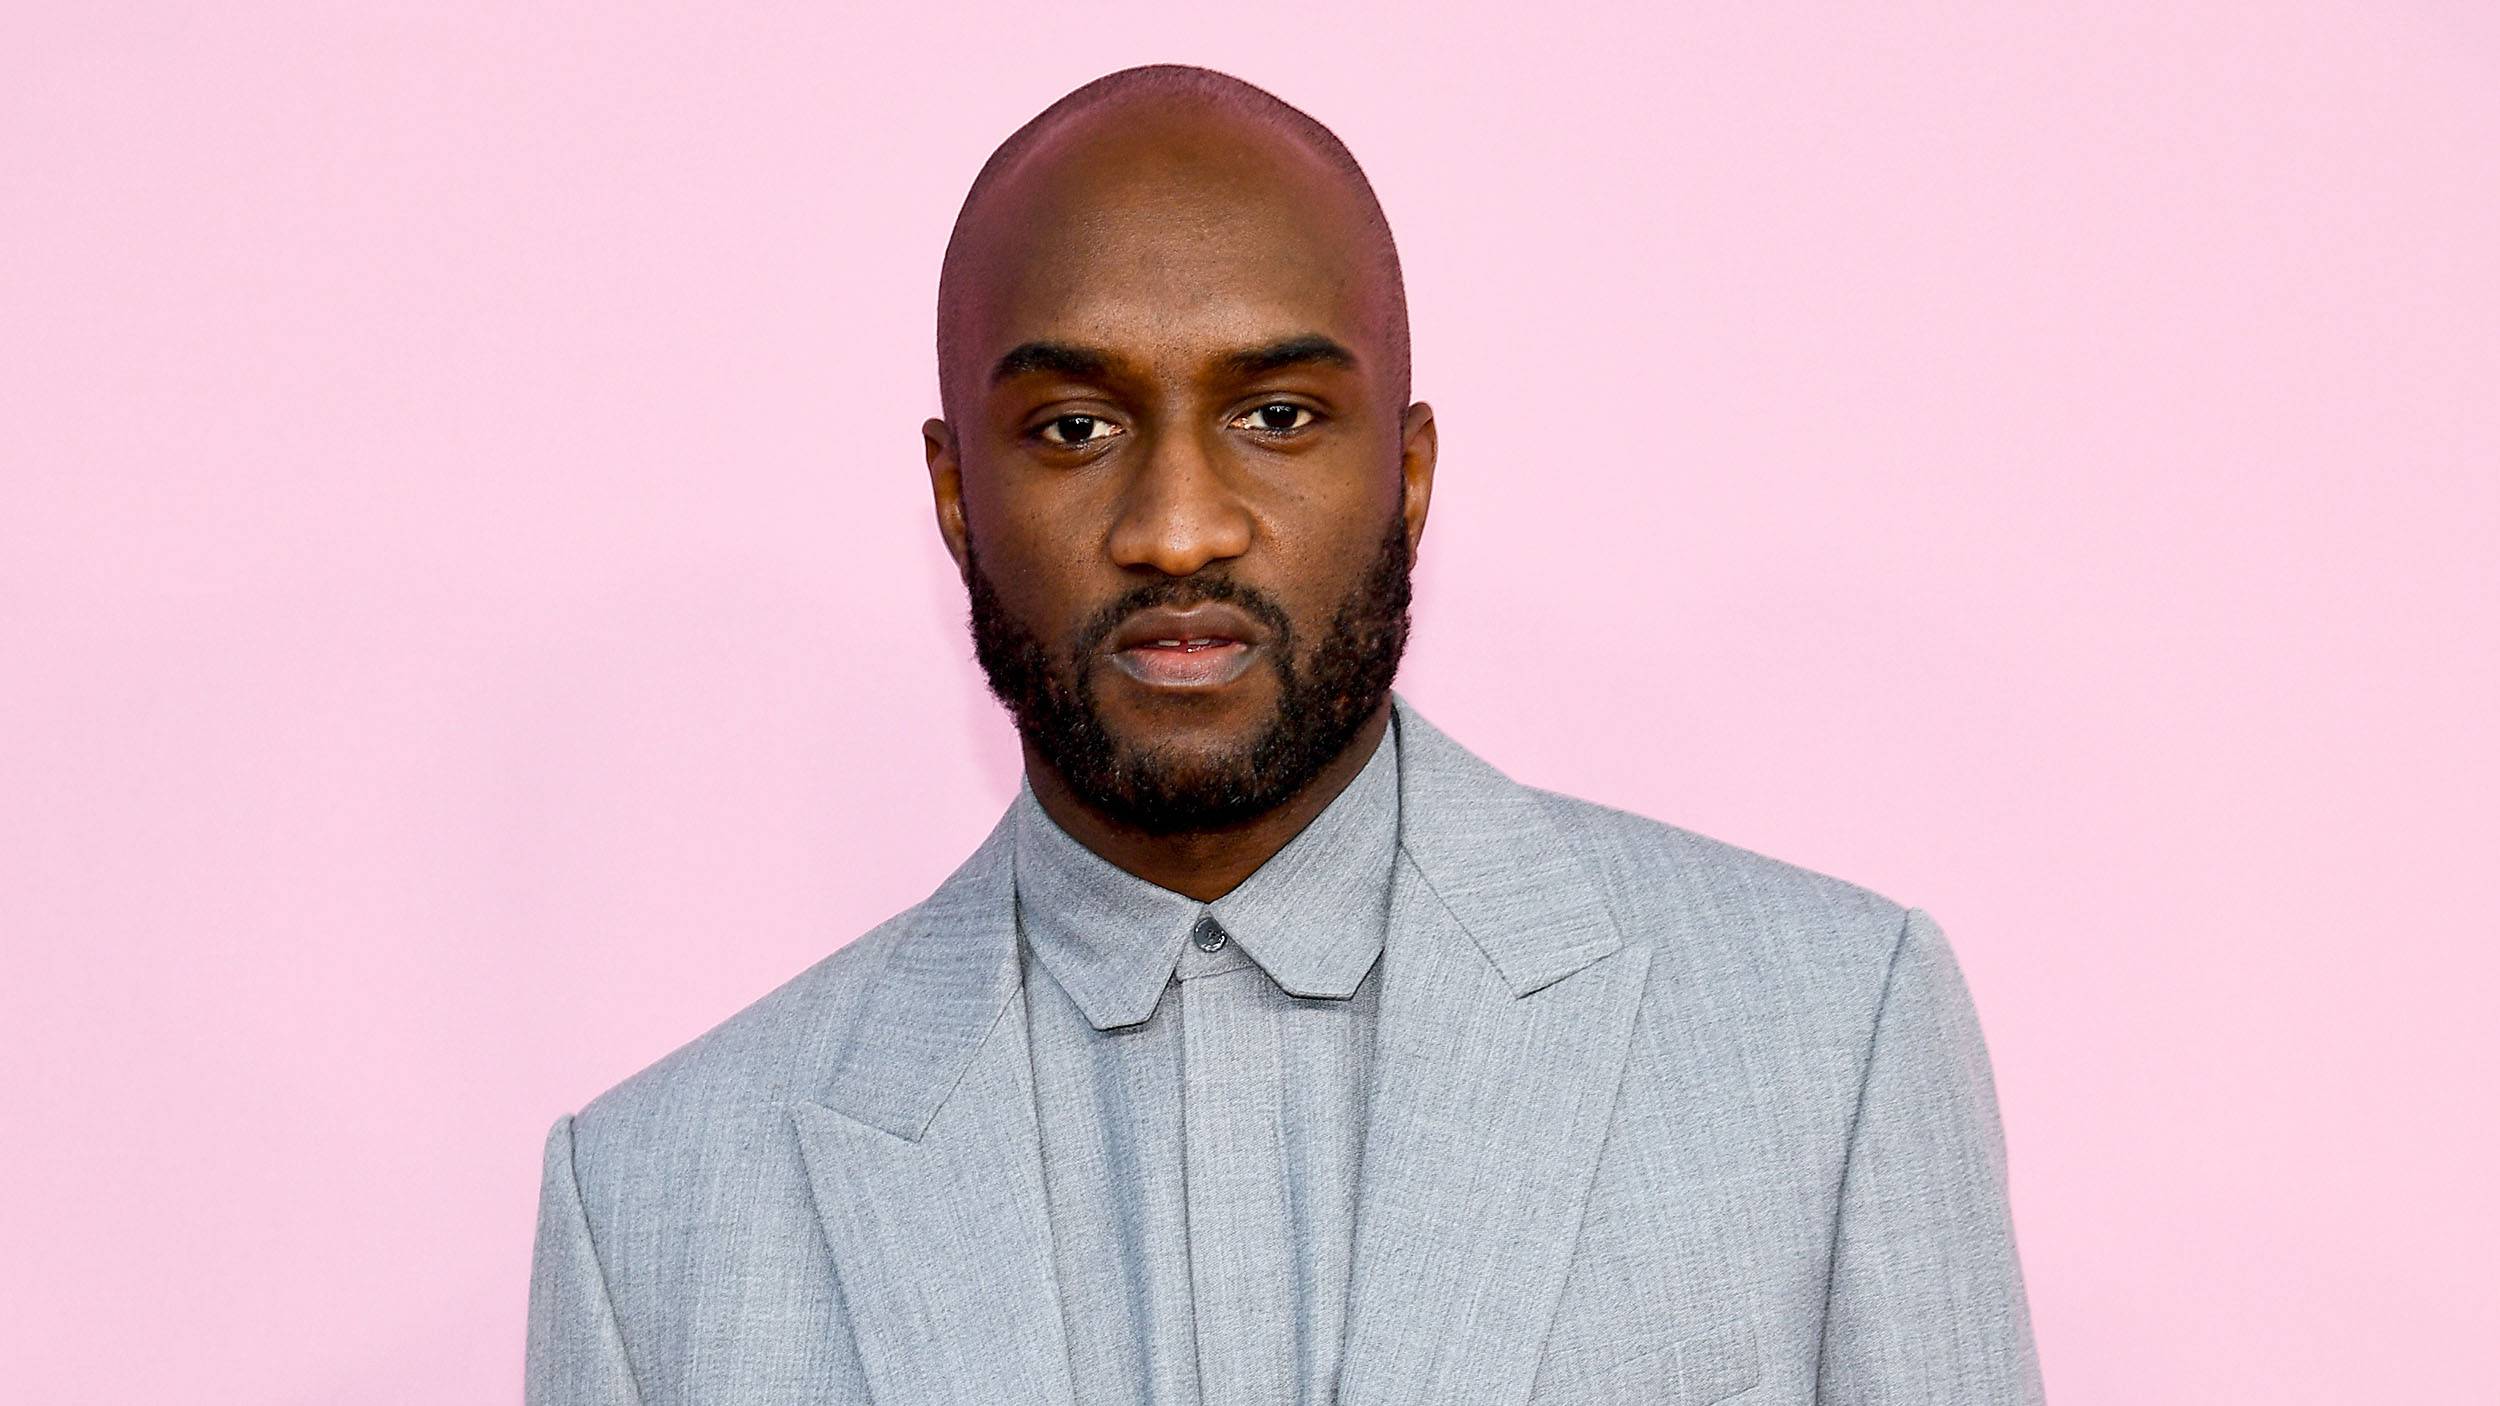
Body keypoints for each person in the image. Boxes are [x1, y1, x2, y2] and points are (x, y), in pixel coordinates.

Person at [525, 63, 2044, 1406]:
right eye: (1074, 428)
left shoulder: (1831, 1040)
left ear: (1410, 473)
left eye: (1277, 415)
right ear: (953, 494)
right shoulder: (654, 1211)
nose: (1179, 526)